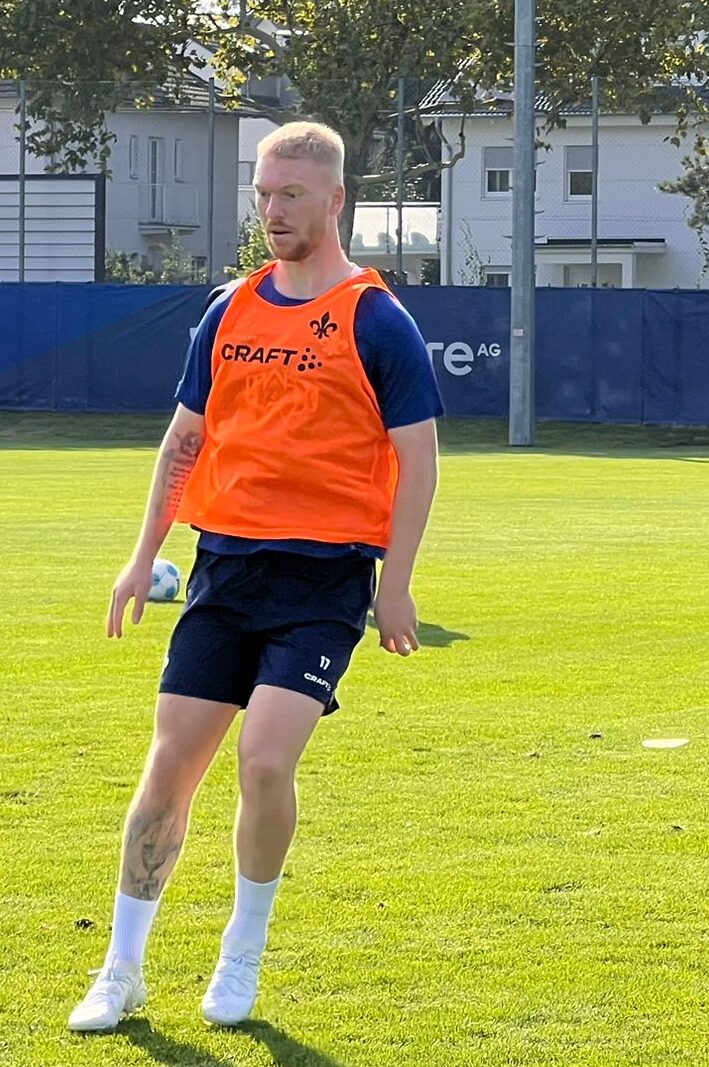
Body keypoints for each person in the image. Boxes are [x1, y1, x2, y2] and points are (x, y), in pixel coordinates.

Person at [69, 121, 444, 1032]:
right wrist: (140, 550)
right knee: (169, 771)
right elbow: (185, 440)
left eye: (290, 195)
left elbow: (420, 461)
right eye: (263, 194)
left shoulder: (376, 317)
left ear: (334, 201)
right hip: (224, 566)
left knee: (264, 758)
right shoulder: (231, 307)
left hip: (324, 579)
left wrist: (395, 584)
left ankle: (242, 949)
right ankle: (121, 965)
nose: (272, 211)